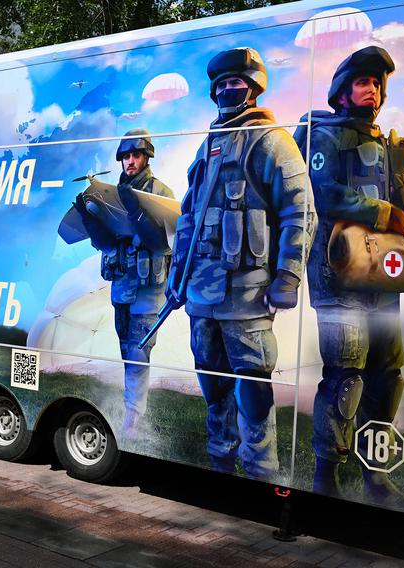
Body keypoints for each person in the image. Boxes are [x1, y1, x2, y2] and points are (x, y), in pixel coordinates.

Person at [167, 47, 314, 477]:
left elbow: (300, 210)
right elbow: (189, 218)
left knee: (251, 380)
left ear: (253, 90)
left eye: (237, 83)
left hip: (248, 293)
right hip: (202, 294)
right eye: (222, 85)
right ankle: (221, 457)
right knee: (211, 379)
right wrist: (177, 278)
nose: (228, 90)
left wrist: (287, 275)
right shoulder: (209, 146)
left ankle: (260, 465)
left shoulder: (271, 141)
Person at [296, 46, 404, 503]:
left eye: (376, 83)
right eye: (361, 81)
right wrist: (386, 214)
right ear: (342, 89)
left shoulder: (384, 141)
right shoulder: (324, 135)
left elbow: (400, 189)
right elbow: (324, 191)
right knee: (345, 378)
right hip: (337, 276)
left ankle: (375, 475)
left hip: (382, 278)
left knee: (387, 375)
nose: (370, 89)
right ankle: (326, 478)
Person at [73, 129, 174, 436]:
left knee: (139, 351)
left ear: (147, 157)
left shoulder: (160, 193)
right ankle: (132, 410)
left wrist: (137, 212)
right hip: (122, 288)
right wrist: (90, 218)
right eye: (126, 157)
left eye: (136, 155)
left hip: (148, 289)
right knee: (126, 349)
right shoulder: (112, 193)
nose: (130, 162)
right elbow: (105, 243)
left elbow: (166, 240)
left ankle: (134, 418)